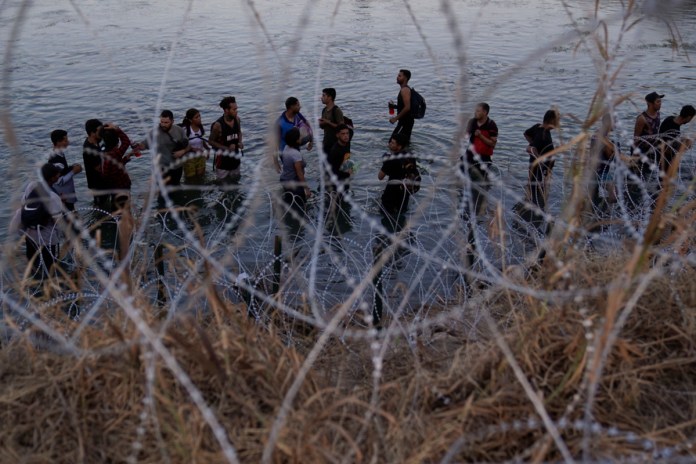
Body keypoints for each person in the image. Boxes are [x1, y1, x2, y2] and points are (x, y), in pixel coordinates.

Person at [9, 163, 64, 280]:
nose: (59, 175)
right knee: (50, 268)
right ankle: (48, 289)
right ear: (53, 178)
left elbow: (24, 205)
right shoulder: (54, 197)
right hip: (47, 238)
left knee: (33, 263)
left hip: (30, 235)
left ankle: (32, 283)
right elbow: (57, 222)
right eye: (57, 174)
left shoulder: (31, 186)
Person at [136, 110, 190, 186]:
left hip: (177, 167)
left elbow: (188, 145)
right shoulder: (154, 133)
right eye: (162, 122)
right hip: (161, 168)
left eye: (166, 123)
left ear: (172, 121)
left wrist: (183, 151)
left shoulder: (179, 130)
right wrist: (137, 146)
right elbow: (145, 145)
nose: (163, 125)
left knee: (176, 188)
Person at [463, 103, 498, 215]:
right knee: (465, 178)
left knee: (482, 183)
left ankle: (481, 202)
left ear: (485, 112)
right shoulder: (472, 122)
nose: (475, 113)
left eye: (478, 111)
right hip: (470, 155)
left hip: (483, 158)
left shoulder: (491, 125)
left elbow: (493, 144)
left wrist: (481, 136)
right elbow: (466, 136)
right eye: (475, 111)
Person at [523, 109, 559, 215]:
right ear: (552, 120)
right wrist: (540, 159)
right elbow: (531, 149)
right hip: (539, 169)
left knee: (532, 188)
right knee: (537, 193)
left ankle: (529, 208)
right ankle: (534, 214)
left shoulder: (538, 127)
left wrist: (532, 144)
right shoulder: (543, 135)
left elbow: (526, 134)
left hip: (536, 167)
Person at [378, 133, 415, 224]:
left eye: (392, 143)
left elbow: (380, 177)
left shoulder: (391, 158)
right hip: (405, 192)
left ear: (399, 146)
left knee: (386, 216)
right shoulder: (410, 155)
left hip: (391, 193)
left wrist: (385, 162)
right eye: (390, 141)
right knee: (401, 214)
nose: (389, 144)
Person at [588, 112, 619, 218]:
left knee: (594, 197)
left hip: (595, 171)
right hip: (600, 172)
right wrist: (614, 147)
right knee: (613, 195)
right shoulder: (602, 137)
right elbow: (610, 155)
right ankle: (607, 217)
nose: (616, 124)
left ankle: (598, 216)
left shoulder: (599, 134)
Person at [209, 97, 243, 181]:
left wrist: (240, 142)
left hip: (235, 160)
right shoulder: (218, 125)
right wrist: (227, 148)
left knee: (236, 182)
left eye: (236, 109)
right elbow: (211, 141)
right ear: (226, 110)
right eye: (234, 109)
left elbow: (239, 132)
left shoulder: (237, 120)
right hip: (222, 163)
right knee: (222, 186)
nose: (236, 111)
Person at [48, 129, 82, 211]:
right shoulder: (55, 159)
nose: (68, 142)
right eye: (65, 140)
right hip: (63, 196)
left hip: (67, 194)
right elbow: (58, 181)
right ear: (58, 142)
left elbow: (63, 171)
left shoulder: (59, 153)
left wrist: (72, 167)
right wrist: (73, 171)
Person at [276, 97, 313, 171]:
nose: (300, 107)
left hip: (296, 149)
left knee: (301, 168)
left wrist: (311, 141)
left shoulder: (297, 114)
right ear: (291, 107)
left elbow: (307, 123)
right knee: (295, 173)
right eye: (298, 105)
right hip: (285, 153)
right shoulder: (280, 123)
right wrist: (275, 161)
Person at [279, 127, 311, 211]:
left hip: (285, 179)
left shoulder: (286, 147)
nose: (301, 138)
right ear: (296, 140)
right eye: (300, 137)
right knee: (299, 205)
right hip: (294, 183)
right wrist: (306, 189)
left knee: (289, 202)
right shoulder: (296, 154)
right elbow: (299, 174)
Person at [659, 104, 695, 173]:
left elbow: (667, 138)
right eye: (691, 119)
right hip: (665, 159)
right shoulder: (674, 129)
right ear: (688, 117)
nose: (690, 121)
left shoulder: (670, 119)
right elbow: (667, 149)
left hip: (661, 154)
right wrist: (684, 147)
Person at [82, 118, 110, 206]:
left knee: (105, 203)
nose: (102, 132)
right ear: (92, 133)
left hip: (101, 182)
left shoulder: (96, 141)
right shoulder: (89, 149)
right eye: (99, 130)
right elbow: (99, 168)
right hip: (97, 184)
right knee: (101, 205)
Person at [180, 108, 210, 183]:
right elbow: (182, 145)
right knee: (191, 180)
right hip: (189, 159)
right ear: (190, 120)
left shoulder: (200, 128)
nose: (199, 118)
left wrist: (208, 149)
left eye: (199, 116)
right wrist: (194, 149)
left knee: (201, 178)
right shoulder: (185, 130)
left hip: (200, 156)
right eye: (196, 117)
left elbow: (201, 140)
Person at [388, 69, 415, 146]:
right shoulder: (405, 89)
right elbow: (404, 106)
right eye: (397, 75)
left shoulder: (404, 90)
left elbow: (407, 107)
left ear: (405, 78)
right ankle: (407, 156)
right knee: (404, 144)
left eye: (400, 76)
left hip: (405, 123)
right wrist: (394, 106)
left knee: (392, 143)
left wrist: (395, 118)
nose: (397, 77)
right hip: (406, 122)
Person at [326, 124, 353, 192]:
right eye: (343, 134)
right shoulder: (336, 151)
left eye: (347, 133)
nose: (346, 136)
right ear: (337, 135)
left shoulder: (346, 143)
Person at [318, 88, 344, 155]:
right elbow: (322, 127)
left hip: (336, 144)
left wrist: (328, 122)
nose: (321, 97)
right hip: (326, 143)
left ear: (330, 97)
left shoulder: (336, 110)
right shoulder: (324, 110)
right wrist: (321, 123)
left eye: (324, 95)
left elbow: (342, 128)